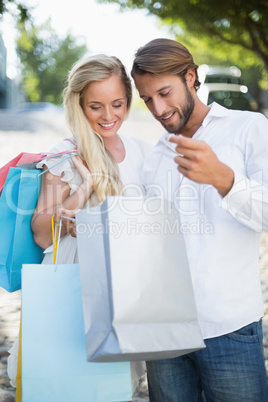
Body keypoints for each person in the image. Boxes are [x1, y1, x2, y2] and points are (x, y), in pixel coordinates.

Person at [131, 38, 268, 401]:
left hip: (228, 328)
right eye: (147, 99)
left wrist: (224, 178)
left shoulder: (248, 129)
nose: (158, 108)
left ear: (191, 77)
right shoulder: (156, 156)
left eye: (164, 92)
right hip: (164, 331)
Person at [8, 54, 151, 395]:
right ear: (78, 104)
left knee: (112, 387)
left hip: (120, 291)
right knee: (61, 383)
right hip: (70, 281)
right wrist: (85, 188)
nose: (108, 116)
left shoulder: (144, 153)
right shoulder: (66, 155)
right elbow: (42, 234)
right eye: (95, 106)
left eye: (117, 104)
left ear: (128, 101)